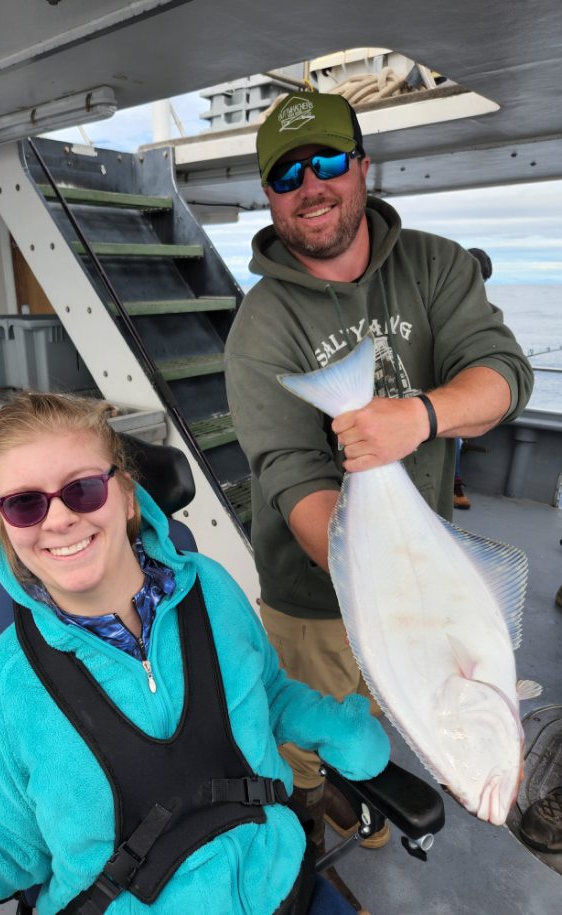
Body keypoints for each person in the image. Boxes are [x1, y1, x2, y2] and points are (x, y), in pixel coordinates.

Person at [0, 391, 390, 915]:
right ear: (4, 524)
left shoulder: (211, 588)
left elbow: (269, 693)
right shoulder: (8, 680)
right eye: (25, 503)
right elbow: (9, 842)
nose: (58, 519)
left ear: (125, 495)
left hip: (281, 886)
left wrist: (336, 726)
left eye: (82, 489)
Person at [224, 92, 533, 869]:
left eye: (328, 162)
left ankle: (355, 790)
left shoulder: (435, 265)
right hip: (310, 591)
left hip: (428, 571)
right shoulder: (261, 325)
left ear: (363, 167)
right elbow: (291, 472)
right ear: (270, 195)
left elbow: (502, 374)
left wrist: (419, 417)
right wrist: (378, 583)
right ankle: (306, 819)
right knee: (303, 731)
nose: (311, 186)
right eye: (287, 175)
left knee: (384, 709)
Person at [453, 247, 496, 510]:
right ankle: (454, 486)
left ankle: (453, 485)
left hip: (456, 389)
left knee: (454, 437)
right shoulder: (437, 300)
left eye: (482, 280)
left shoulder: (483, 313)